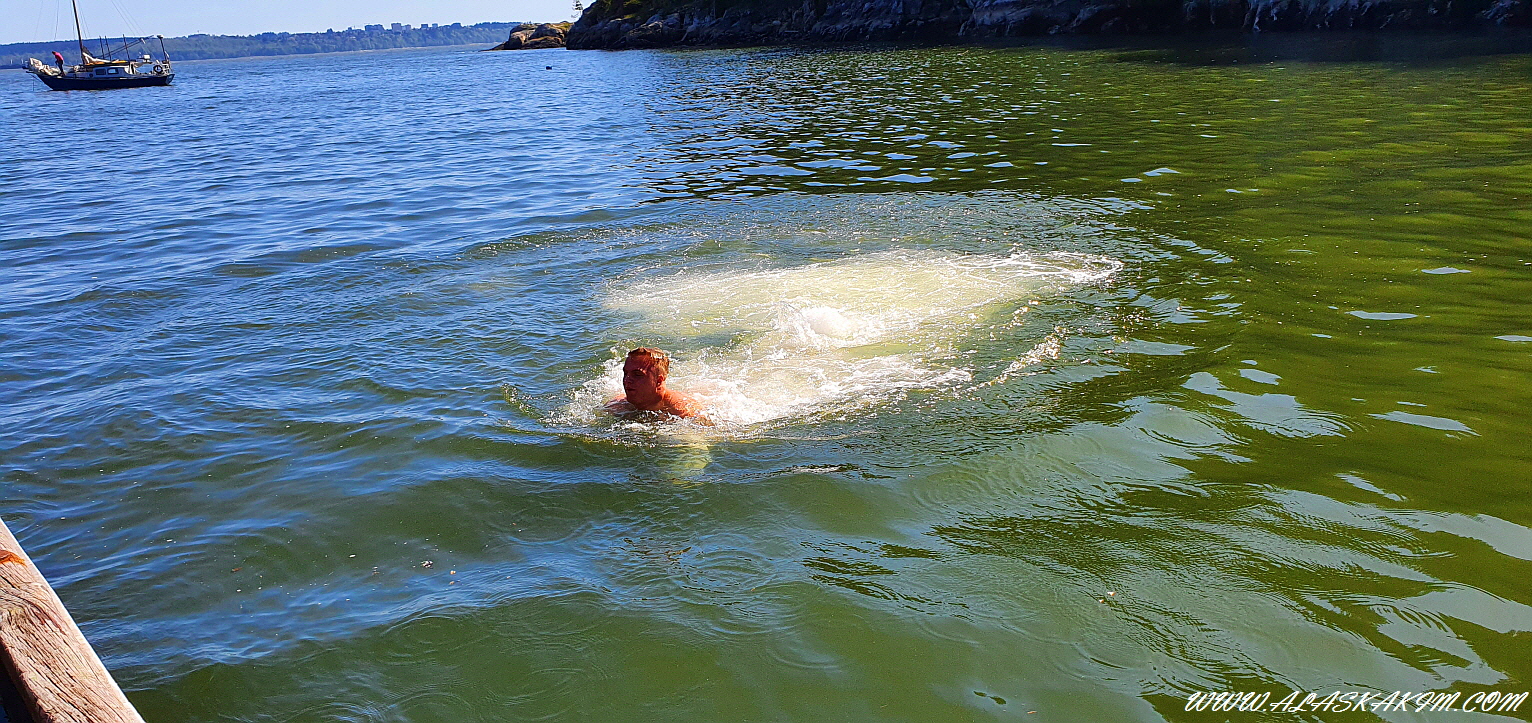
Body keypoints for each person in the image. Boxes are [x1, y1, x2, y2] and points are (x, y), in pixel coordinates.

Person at [605, 347, 706, 420]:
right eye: (626, 373)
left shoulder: (685, 412)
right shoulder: (616, 406)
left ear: (659, 381)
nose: (627, 380)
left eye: (637, 374)